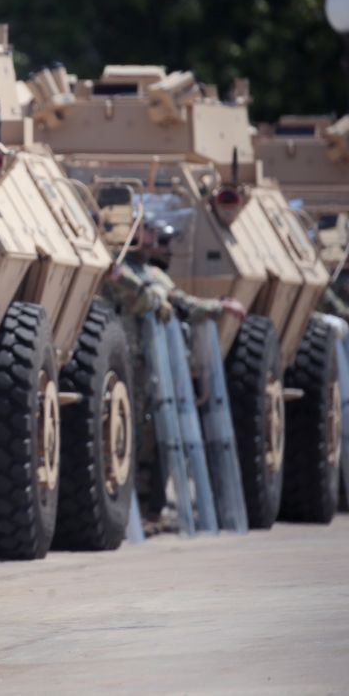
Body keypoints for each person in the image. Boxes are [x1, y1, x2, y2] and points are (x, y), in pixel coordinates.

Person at [99, 218, 244, 529]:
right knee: (123, 432)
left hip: (149, 366)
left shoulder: (153, 274)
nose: (155, 236)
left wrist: (219, 306)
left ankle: (147, 509)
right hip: (119, 366)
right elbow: (140, 297)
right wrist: (155, 298)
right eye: (147, 227)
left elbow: (182, 304)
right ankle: (127, 510)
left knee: (150, 435)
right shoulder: (113, 269)